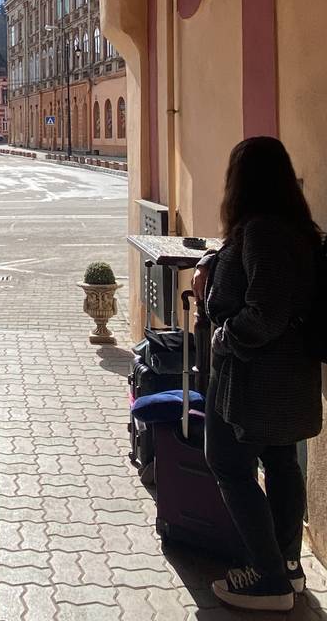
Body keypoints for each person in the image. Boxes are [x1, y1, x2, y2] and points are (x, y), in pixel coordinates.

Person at [192, 137, 322, 612]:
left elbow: (263, 312)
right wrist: (215, 258)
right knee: (282, 462)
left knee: (229, 464)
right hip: (289, 378)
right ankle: (287, 566)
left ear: (241, 182)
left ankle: (268, 579)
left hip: (253, 380)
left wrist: (224, 337)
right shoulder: (296, 229)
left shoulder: (263, 231)